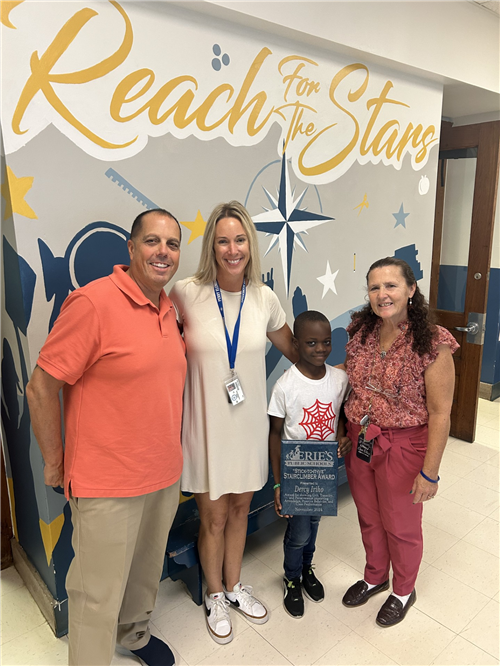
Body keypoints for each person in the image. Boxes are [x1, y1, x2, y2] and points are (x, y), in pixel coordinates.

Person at [26, 209, 186, 666]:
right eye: (152, 242)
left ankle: (134, 635)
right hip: (106, 481)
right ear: (131, 248)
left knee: (144, 572)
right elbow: (40, 387)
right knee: (96, 591)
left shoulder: (168, 306)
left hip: (161, 472)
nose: (163, 252)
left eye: (172, 244)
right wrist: (54, 464)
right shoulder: (93, 304)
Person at [169, 201, 297, 644]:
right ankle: (215, 594)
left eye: (239, 239)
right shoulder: (185, 292)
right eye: (222, 240)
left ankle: (235, 584)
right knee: (214, 518)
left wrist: (329, 387)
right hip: (205, 428)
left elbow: (295, 350)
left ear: (250, 245)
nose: (232, 248)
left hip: (247, 428)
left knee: (241, 508)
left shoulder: (264, 298)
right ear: (212, 246)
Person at [341, 257, 458, 627]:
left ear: (411, 290)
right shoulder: (361, 330)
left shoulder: (432, 342)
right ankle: (376, 576)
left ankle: (403, 590)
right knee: (369, 515)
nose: (382, 294)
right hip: (361, 440)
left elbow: (440, 413)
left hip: (405, 446)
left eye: (391, 285)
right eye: (374, 287)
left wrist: (431, 473)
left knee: (400, 523)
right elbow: (351, 380)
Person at [268, 310, 351, 618]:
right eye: (312, 342)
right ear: (296, 343)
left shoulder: (339, 379)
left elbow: (340, 415)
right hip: (295, 474)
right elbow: (275, 435)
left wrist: (342, 434)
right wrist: (278, 484)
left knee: (314, 524)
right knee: (299, 530)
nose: (320, 349)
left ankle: (306, 569)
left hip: (324, 471)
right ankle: (291, 578)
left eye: (326, 342)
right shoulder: (285, 386)